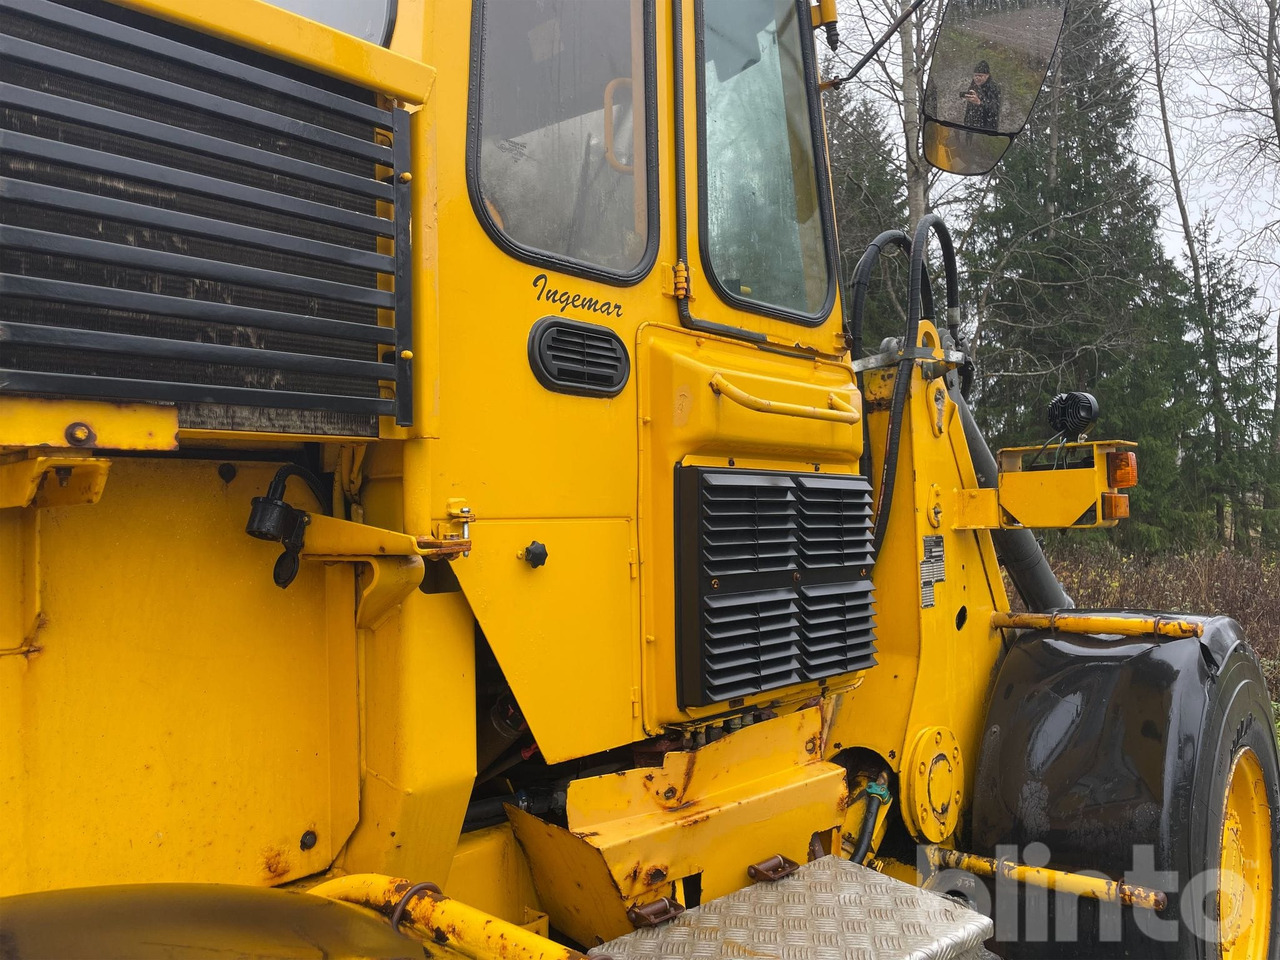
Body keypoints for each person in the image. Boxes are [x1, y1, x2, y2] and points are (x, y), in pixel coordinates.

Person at [962, 60, 1001, 131]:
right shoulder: (973, 84)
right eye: (975, 75)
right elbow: (969, 108)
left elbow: (994, 110)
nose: (977, 78)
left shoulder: (994, 88)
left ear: (987, 76)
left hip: (987, 129)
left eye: (980, 75)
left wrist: (979, 102)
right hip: (970, 126)